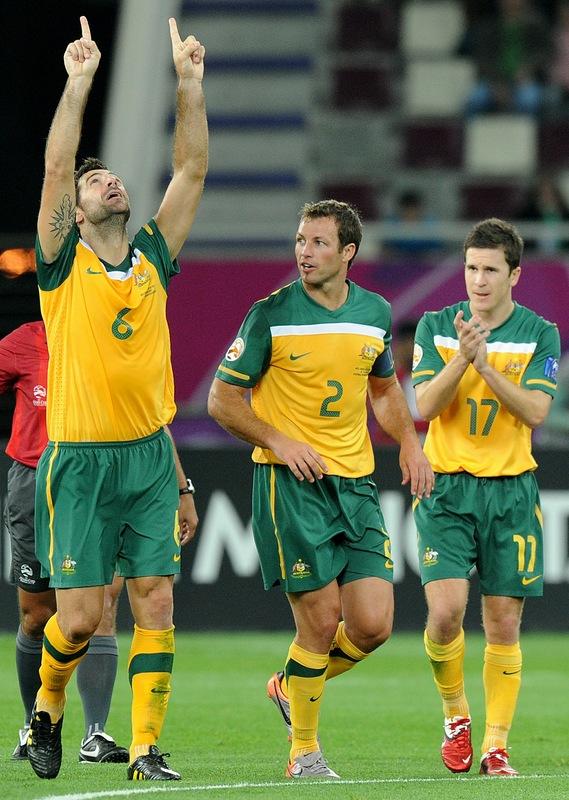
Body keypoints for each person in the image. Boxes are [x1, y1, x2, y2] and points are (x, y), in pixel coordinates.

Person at [27, 15, 206, 782]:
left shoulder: (153, 257)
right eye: (96, 182)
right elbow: (55, 165)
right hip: (78, 462)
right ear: (77, 207)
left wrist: (189, 85)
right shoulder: (62, 265)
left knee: (154, 600)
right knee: (76, 620)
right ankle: (47, 709)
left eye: (113, 178)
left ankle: (144, 748)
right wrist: (78, 83)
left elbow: (190, 170)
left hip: (148, 460)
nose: (111, 182)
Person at [208, 199, 433, 779]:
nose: (304, 253)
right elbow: (222, 399)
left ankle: (291, 684)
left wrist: (410, 444)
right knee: (320, 620)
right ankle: (303, 754)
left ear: (348, 252)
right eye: (300, 241)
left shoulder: (375, 311)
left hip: (355, 484)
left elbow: (384, 389)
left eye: (318, 243)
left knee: (373, 625)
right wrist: (279, 441)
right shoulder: (270, 314)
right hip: (291, 484)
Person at [411, 218, 559, 777]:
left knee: (502, 624)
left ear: (514, 275)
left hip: (511, 490)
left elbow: (537, 411)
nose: (478, 280)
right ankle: (456, 715)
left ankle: (497, 747)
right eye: (471, 268)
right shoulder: (436, 325)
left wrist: (486, 367)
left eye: (491, 270)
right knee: (445, 613)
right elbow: (425, 406)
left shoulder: (540, 332)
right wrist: (461, 357)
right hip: (447, 488)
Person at [0, 320, 127, 764]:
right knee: (37, 614)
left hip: (95, 480)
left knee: (102, 606)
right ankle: (34, 726)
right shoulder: (25, 340)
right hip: (34, 482)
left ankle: (95, 734)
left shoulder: (108, 334)